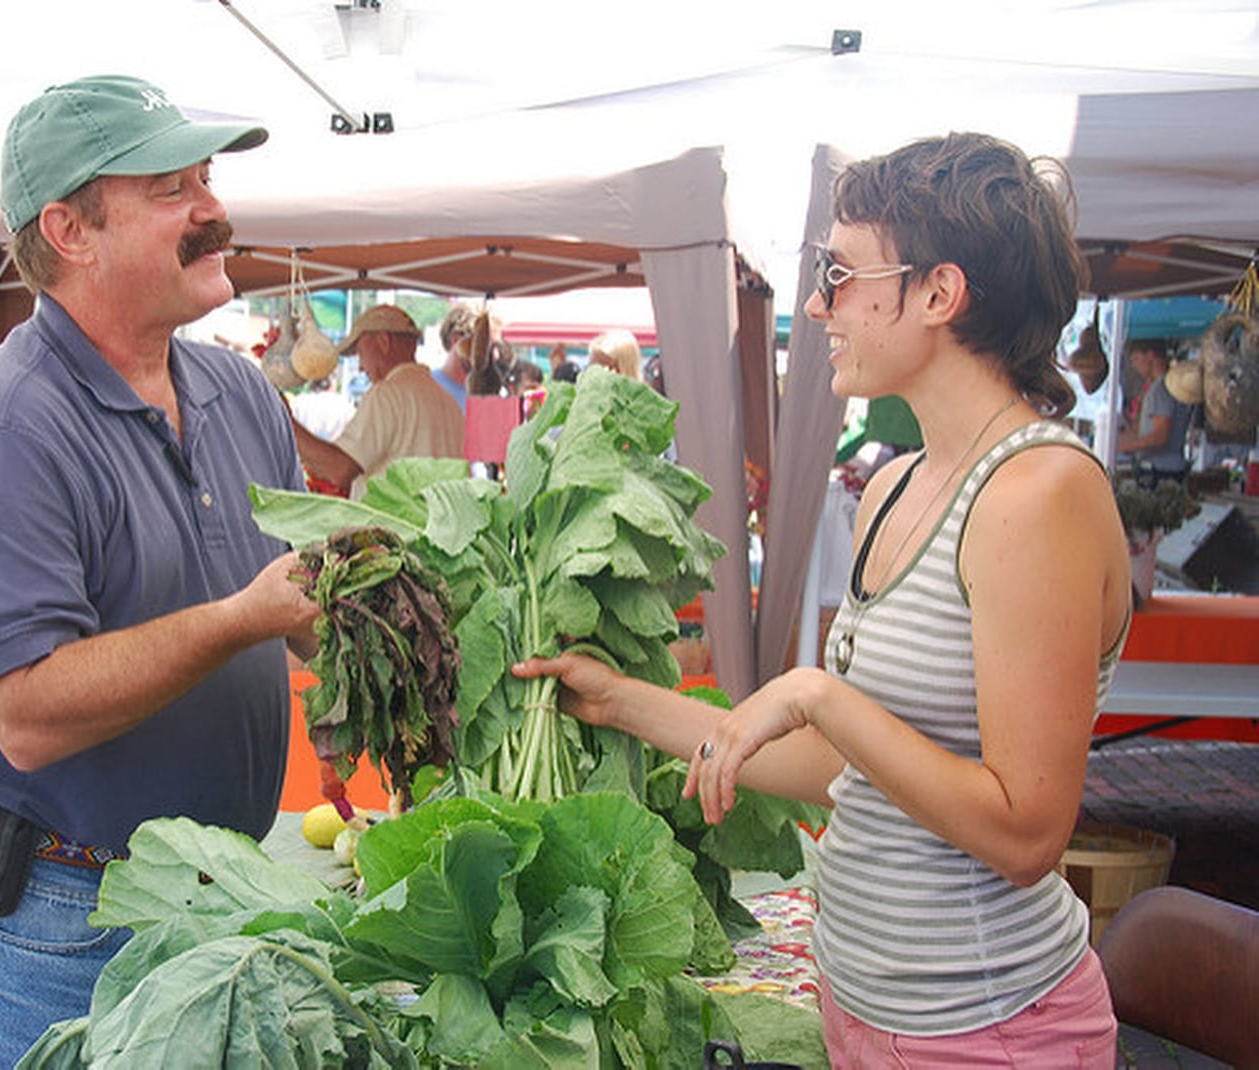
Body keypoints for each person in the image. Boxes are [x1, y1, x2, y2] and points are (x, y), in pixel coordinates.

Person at [516, 132, 1129, 1066]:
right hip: (866, 1009)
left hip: (989, 1030)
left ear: (938, 292)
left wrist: (818, 693)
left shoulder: (1039, 493)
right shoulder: (891, 489)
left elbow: (1026, 831)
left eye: (839, 274)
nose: (815, 302)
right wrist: (619, 701)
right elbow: (844, 770)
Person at [0, 74, 320, 1068]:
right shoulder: (5, 430)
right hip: (51, 921)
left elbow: (297, 597)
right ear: (71, 230)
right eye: (172, 188)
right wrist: (240, 618)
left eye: (206, 178)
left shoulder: (237, 392)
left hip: (214, 893)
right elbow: (26, 712)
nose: (214, 210)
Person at [289, 304, 465, 499]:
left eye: (360, 353)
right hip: (438, 527)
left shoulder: (387, 395)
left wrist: (285, 422)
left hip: (394, 527)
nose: (361, 368)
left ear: (383, 342)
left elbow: (339, 470)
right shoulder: (449, 403)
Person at [1116, 338, 1194, 483]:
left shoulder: (1160, 389)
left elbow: (1161, 435)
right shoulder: (1172, 386)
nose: (1134, 365)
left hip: (1159, 470)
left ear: (1150, 355)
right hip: (1171, 467)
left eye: (1136, 359)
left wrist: (1125, 446)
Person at [431, 301, 477, 412]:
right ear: (456, 340)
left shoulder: (485, 394)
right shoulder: (427, 388)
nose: (493, 355)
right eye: (481, 345)